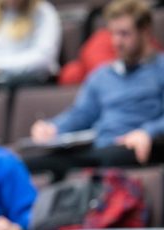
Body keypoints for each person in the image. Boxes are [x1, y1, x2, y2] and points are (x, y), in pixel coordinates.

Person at [27, 0, 164, 181]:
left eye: (124, 34)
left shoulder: (160, 68)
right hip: (101, 148)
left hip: (139, 147)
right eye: (113, 34)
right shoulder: (102, 74)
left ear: (145, 32)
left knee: (108, 160)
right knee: (32, 164)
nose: (116, 42)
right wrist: (53, 127)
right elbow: (82, 114)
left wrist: (148, 132)